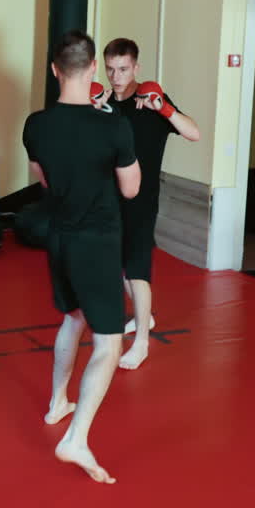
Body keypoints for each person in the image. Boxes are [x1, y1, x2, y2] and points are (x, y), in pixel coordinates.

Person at [23, 30, 141, 484]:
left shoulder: (36, 125)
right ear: (94, 68)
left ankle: (58, 401)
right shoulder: (113, 125)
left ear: (55, 70)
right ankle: (76, 437)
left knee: (73, 317)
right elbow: (131, 188)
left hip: (58, 237)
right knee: (109, 343)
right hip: (97, 242)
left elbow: (45, 179)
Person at [94, 38, 201, 370]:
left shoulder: (151, 101)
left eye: (123, 69)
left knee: (137, 266)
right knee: (118, 265)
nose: (117, 76)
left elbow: (194, 133)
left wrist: (164, 108)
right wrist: (90, 112)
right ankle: (145, 318)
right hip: (109, 197)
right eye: (111, 69)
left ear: (136, 68)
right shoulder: (105, 103)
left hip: (143, 198)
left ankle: (141, 341)